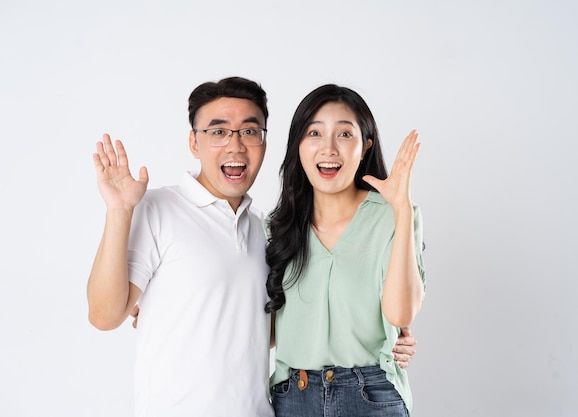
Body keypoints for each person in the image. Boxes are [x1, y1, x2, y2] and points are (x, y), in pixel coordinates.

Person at [87, 77, 418, 417]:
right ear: (193, 142)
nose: (235, 145)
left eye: (249, 132)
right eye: (218, 132)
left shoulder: (267, 229)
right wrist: (119, 210)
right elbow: (103, 315)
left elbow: (268, 329)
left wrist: (388, 336)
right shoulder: (158, 208)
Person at [265, 84, 426, 416]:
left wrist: (403, 210)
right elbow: (260, 330)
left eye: (344, 134)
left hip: (371, 394)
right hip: (293, 396)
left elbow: (400, 315)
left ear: (365, 146)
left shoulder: (392, 216)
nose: (329, 148)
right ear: (298, 144)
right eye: (314, 133)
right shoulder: (275, 227)